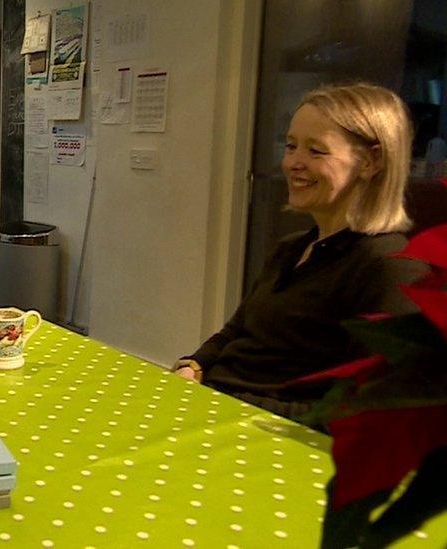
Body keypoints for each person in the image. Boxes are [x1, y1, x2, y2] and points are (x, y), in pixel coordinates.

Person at [174, 83, 426, 425]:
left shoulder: (391, 267)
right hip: (215, 404)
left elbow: (363, 412)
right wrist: (195, 365)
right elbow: (237, 331)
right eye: (291, 146)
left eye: (316, 151)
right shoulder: (291, 248)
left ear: (370, 161)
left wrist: (232, 407)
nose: (293, 162)